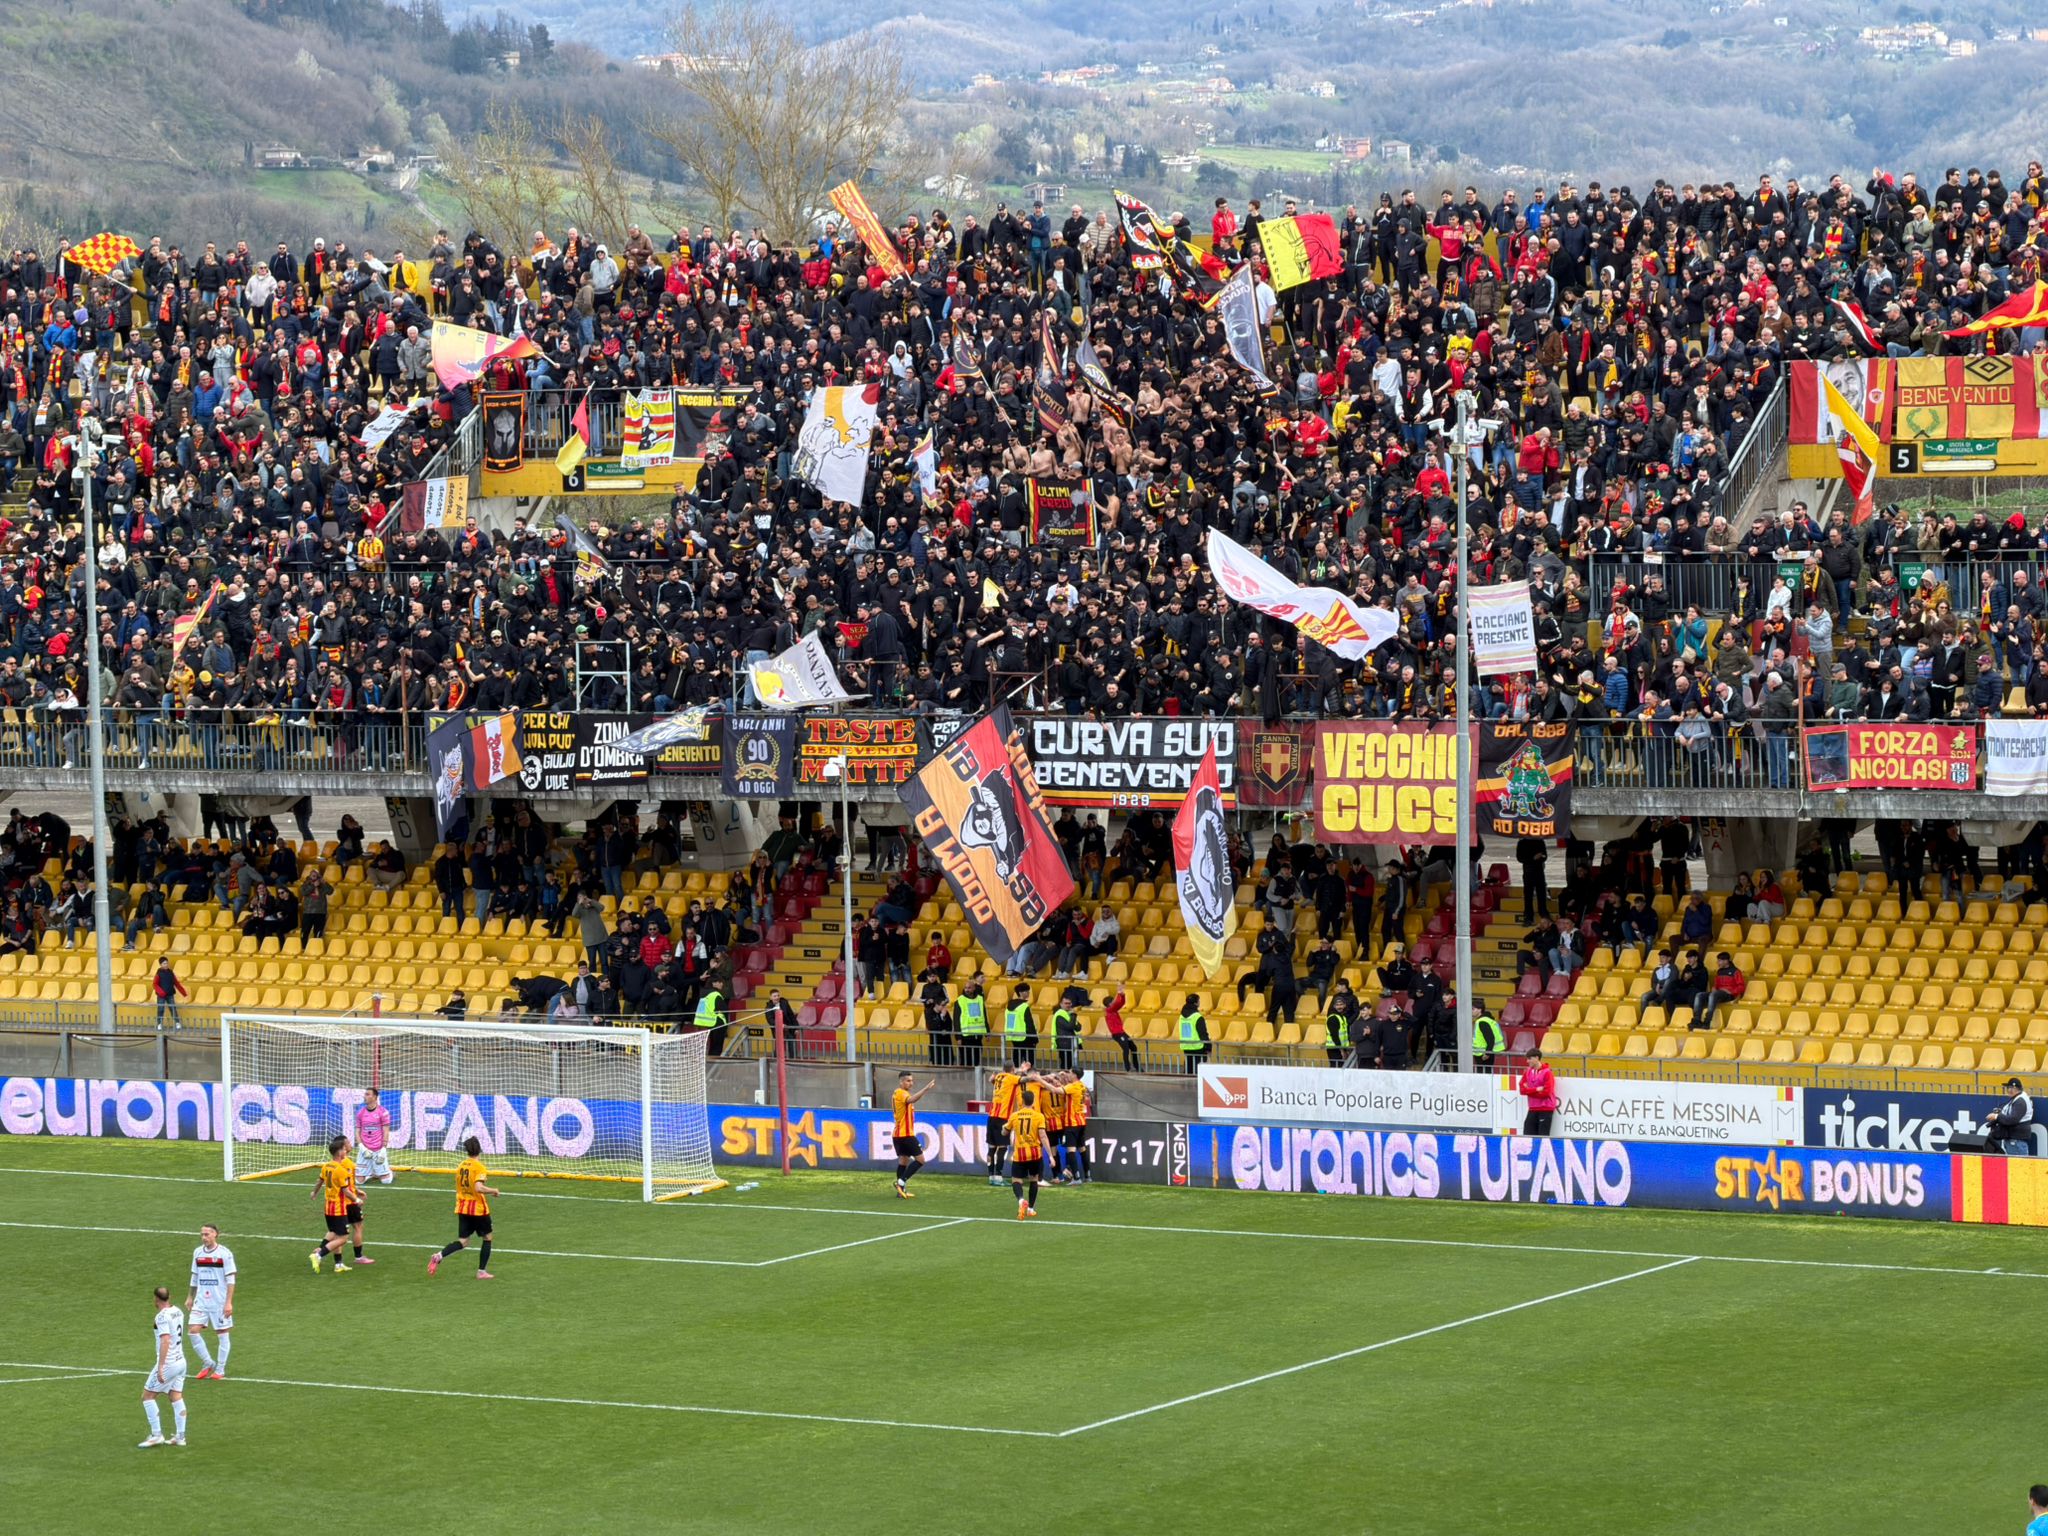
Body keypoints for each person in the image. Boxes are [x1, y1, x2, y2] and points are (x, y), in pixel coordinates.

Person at [429, 1135, 499, 1280]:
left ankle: (440, 1255)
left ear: (466, 1151)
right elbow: (478, 1187)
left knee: (463, 1241)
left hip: (462, 1207)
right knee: (487, 1237)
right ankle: (481, 1271)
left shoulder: (461, 1166)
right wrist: (493, 1190)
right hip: (478, 1209)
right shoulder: (479, 1167)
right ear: (479, 1149)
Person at [184, 1224, 236, 1381]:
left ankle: (220, 1369)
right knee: (193, 1330)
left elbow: (231, 1279)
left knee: (222, 1333)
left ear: (216, 1235)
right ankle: (208, 1363)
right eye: (202, 1234)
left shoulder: (224, 1254)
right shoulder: (197, 1252)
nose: (204, 1237)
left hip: (219, 1301)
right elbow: (195, 1276)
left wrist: (228, 1302)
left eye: (207, 1234)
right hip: (201, 1300)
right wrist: (190, 1297)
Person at [139, 1285, 188, 1449]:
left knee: (147, 1396)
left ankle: (156, 1435)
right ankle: (180, 1437)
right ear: (169, 1297)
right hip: (181, 1362)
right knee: (176, 1396)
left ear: (156, 1299)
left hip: (169, 1363)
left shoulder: (161, 1317)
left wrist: (161, 1367)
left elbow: (165, 1340)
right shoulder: (178, 1311)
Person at [309, 1135, 358, 1273]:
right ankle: (318, 1254)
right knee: (342, 1238)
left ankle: (338, 1264)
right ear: (340, 1152)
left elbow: (320, 1181)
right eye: (343, 1149)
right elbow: (345, 1190)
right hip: (338, 1208)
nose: (345, 1151)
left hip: (328, 1207)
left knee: (335, 1234)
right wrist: (357, 1199)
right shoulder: (340, 1170)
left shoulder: (326, 1166)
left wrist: (314, 1193)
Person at [890, 1072, 935, 1198]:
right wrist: (926, 1089)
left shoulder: (900, 1093)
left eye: (911, 1080)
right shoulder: (901, 1093)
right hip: (905, 1134)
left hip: (899, 1135)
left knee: (903, 1161)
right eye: (908, 1081)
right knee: (920, 1160)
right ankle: (900, 1182)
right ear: (901, 1082)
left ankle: (900, 1191)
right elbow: (912, 1099)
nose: (911, 1083)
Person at [1008, 1089, 1049, 1219]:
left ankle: (1021, 1200)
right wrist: (1051, 1156)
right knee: (1034, 1180)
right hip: (1034, 1154)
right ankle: (1030, 1209)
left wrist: (1004, 1129)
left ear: (1022, 1101)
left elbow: (1006, 1130)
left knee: (1016, 1180)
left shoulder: (1015, 1115)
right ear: (1033, 1102)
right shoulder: (1039, 1116)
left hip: (1019, 1154)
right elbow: (1042, 1136)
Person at [984, 1060, 1027, 1186]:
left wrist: (1019, 1070)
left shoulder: (999, 1077)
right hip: (1002, 1118)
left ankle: (991, 1176)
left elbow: (993, 1080)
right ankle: (998, 1176)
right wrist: (1027, 1073)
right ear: (1013, 1068)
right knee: (1002, 1148)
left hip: (991, 1116)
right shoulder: (1011, 1078)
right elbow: (1024, 1080)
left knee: (991, 1148)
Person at [1983, 1077, 2035, 1156]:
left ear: (2015, 1089)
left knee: (2018, 1167)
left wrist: (1997, 1116)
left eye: (2010, 1088)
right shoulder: (2017, 1099)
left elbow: (2012, 1119)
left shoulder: (2020, 1101)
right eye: (2008, 1088)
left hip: (2016, 1141)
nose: (2008, 1090)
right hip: (2014, 1141)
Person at [355, 1087, 394, 1185]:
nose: (365, 1096)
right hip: (365, 1150)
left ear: (375, 1097)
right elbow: (357, 1131)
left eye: (368, 1094)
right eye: (365, 1094)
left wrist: (383, 1149)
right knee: (358, 1182)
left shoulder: (383, 1112)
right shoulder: (360, 1113)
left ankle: (390, 1172)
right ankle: (371, 1173)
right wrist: (361, 1147)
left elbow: (386, 1131)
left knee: (386, 1181)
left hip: (378, 1149)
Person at [1518, 1046, 1558, 1136]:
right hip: (1532, 1108)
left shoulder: (1547, 1072)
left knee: (1542, 1137)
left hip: (1545, 1108)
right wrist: (1536, 1089)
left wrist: (1529, 1092)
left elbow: (1546, 1092)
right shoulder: (1527, 1072)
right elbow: (1522, 1090)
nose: (1527, 1061)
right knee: (1527, 1135)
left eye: (1529, 1059)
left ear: (1537, 1058)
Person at [1061, 1071, 1091, 1184]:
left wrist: (1040, 1080)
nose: (1068, 1074)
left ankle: (1076, 1178)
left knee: (1071, 1150)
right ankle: (1088, 1176)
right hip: (1081, 1122)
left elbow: (1057, 1090)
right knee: (1082, 1149)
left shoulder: (1073, 1087)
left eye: (1070, 1073)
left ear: (1074, 1075)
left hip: (1072, 1123)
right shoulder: (1082, 1085)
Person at [954, 977, 989, 1067]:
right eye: (966, 988)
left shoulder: (980, 999)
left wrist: (987, 1033)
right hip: (965, 1036)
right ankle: (965, 1079)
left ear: (974, 988)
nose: (967, 989)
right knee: (966, 1060)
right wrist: (958, 1037)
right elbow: (956, 1020)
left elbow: (984, 1016)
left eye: (969, 987)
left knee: (977, 1059)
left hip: (978, 1036)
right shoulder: (960, 1000)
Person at [1175, 993, 1211, 1073]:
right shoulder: (1197, 1017)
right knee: (1198, 1072)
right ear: (1196, 1003)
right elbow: (1203, 1033)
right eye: (1199, 1000)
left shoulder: (1181, 1016)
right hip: (1197, 1047)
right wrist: (1208, 1046)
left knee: (1188, 1070)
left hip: (1186, 1046)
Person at [1104, 988, 1138, 1071]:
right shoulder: (1109, 1010)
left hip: (1121, 1032)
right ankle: (1128, 1068)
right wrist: (1119, 994)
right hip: (1117, 1034)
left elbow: (1120, 1004)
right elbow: (1118, 1004)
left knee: (1133, 1047)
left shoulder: (1113, 1010)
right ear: (1109, 1004)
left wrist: (1122, 995)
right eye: (1112, 1002)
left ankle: (1136, 1066)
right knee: (1126, 1049)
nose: (1114, 1003)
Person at [153, 955, 188, 1028]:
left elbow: (176, 983)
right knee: (160, 1009)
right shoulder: (158, 973)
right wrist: (161, 992)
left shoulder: (171, 972)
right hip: (161, 996)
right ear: (161, 964)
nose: (166, 965)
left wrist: (183, 993)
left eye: (167, 963)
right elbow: (155, 984)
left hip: (170, 994)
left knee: (173, 1009)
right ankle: (159, 1024)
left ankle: (177, 1023)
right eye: (164, 963)